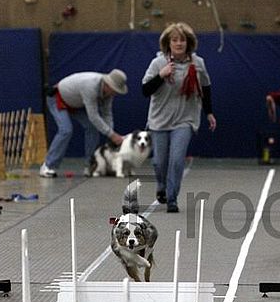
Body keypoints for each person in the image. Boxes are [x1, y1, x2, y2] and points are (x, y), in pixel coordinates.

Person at [142, 22, 216, 213]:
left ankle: (172, 198)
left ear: (188, 43)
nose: (179, 43)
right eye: (174, 40)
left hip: (186, 118)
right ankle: (161, 185)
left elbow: (206, 88)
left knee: (176, 159)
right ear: (168, 43)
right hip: (159, 119)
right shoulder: (158, 63)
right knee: (159, 161)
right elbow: (145, 90)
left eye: (182, 40)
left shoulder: (197, 63)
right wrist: (161, 75)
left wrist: (208, 112)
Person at [39, 69, 128, 178]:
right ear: (108, 85)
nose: (115, 93)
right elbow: (94, 116)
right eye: (115, 90)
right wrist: (112, 135)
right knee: (66, 130)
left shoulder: (109, 93)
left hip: (76, 102)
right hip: (57, 97)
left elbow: (107, 114)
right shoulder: (90, 86)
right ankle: (48, 166)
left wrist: (111, 134)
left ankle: (90, 165)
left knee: (92, 128)